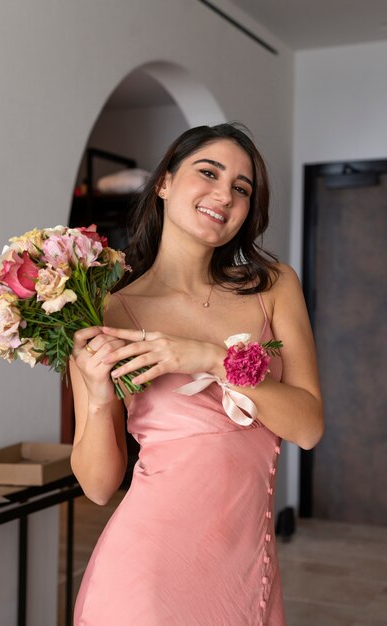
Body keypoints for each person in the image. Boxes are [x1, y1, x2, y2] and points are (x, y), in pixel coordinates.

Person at [69, 123, 324, 625]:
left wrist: (210, 358)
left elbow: (309, 427)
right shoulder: (107, 310)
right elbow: (98, 487)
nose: (224, 194)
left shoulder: (273, 286)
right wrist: (99, 399)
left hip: (246, 571)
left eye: (242, 188)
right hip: (146, 576)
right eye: (208, 172)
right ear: (164, 182)